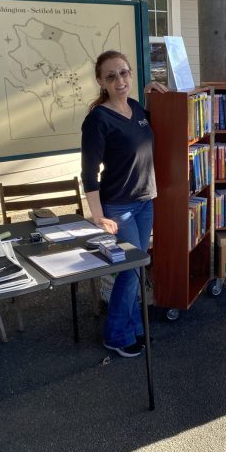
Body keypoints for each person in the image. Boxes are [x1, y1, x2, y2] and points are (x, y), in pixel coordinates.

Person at [81, 50, 167, 357]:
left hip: (145, 202)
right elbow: (89, 175)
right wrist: (98, 217)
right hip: (119, 207)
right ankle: (116, 335)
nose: (120, 80)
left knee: (137, 270)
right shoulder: (97, 120)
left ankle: (135, 329)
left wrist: (150, 93)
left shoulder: (135, 107)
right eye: (112, 76)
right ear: (100, 81)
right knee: (129, 275)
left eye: (125, 73)